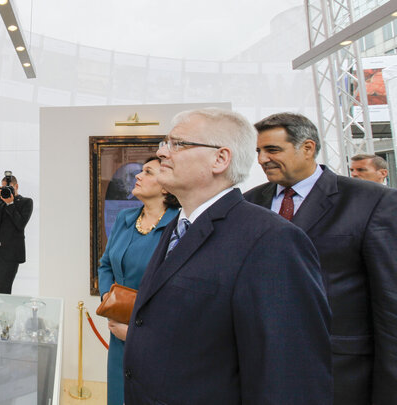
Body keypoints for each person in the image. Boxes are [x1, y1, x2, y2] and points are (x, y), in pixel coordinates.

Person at [124, 108, 332, 404]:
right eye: (164, 143)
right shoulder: (178, 226)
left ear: (220, 159)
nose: (161, 153)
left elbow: (289, 374)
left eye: (177, 144)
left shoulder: (271, 239)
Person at [244, 112, 397, 405]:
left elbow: (390, 300)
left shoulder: (372, 201)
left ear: (308, 148)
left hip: (342, 373)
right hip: (264, 369)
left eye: (272, 150)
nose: (262, 159)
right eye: (259, 152)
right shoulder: (250, 203)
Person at [97, 157, 179, 405]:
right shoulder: (125, 218)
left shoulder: (180, 224)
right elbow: (106, 265)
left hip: (157, 335)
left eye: (148, 172)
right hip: (119, 327)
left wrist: (136, 332)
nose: (138, 176)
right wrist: (109, 302)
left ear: (165, 185)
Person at [0, 173, 33, 294]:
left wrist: (10, 204)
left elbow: (20, 224)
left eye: (9, 188)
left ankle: (2, 314)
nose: (6, 191)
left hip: (9, 256)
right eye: (3, 188)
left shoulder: (26, 202)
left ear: (16, 186)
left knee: (2, 295)